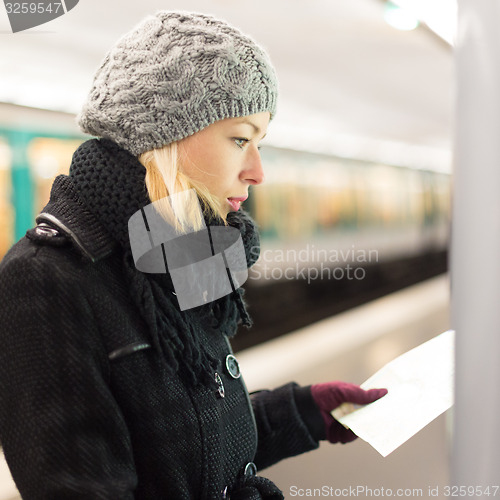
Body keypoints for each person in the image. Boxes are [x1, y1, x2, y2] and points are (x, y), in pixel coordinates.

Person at [0, 11, 387, 500]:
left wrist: (304, 411)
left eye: (260, 144)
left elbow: (191, 446)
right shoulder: (46, 280)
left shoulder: (182, 255)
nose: (257, 171)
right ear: (164, 135)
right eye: (241, 139)